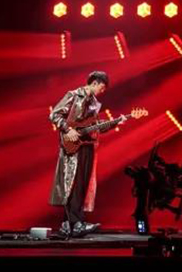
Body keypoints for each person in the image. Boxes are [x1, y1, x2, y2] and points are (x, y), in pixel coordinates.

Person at [49, 71, 123, 238]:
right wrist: (68, 129)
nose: (102, 91)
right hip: (72, 146)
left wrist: (116, 122)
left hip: (87, 145)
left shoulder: (94, 103)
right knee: (72, 185)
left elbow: (94, 126)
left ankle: (71, 224)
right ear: (94, 83)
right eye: (101, 87)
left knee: (81, 185)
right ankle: (74, 223)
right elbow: (54, 114)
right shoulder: (73, 95)